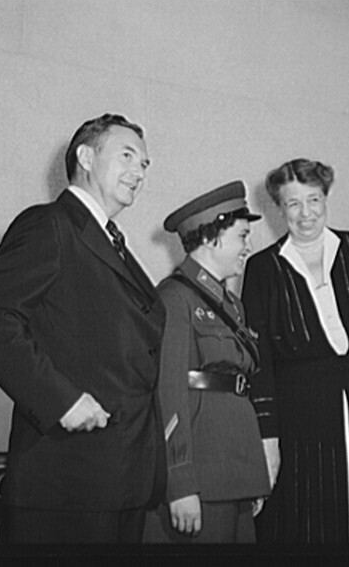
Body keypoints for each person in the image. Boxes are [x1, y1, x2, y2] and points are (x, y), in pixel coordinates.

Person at [0, 113, 166, 544]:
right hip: (67, 481)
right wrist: (62, 400)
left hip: (123, 479)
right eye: (127, 155)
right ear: (86, 157)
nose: (139, 172)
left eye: (145, 164)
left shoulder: (114, 242)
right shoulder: (50, 225)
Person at [241, 158, 349, 544]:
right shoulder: (262, 269)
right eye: (293, 204)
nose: (306, 214)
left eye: (314, 200)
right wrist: (268, 437)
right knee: (310, 519)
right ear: (279, 208)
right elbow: (260, 362)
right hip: (302, 417)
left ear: (326, 199)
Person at [143, 181, 271, 544]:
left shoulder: (232, 305)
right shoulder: (173, 299)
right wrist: (179, 483)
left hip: (235, 474)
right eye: (242, 235)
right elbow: (168, 394)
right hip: (200, 480)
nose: (248, 247)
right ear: (212, 237)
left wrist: (251, 477)